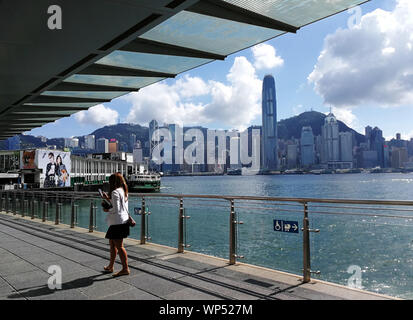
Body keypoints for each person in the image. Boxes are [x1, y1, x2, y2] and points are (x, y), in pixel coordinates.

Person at [102, 172, 130, 277]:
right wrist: (107, 199)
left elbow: (115, 208)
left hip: (116, 223)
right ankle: (111, 266)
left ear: (113, 182)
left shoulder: (114, 192)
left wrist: (106, 208)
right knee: (112, 244)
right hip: (123, 221)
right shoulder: (123, 191)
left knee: (119, 246)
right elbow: (121, 206)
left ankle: (125, 268)